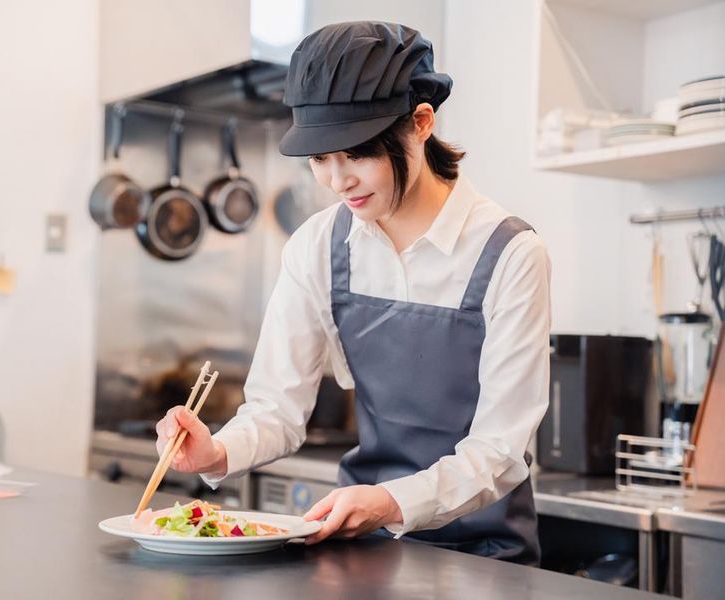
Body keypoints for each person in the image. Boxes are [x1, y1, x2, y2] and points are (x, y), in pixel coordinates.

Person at [155, 21, 551, 565]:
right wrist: (218, 450)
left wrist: (390, 501)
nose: (338, 181)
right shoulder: (319, 245)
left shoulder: (510, 252)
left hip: (486, 555)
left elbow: (501, 451)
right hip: (363, 550)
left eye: (357, 154)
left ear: (420, 123)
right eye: (320, 159)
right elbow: (276, 408)